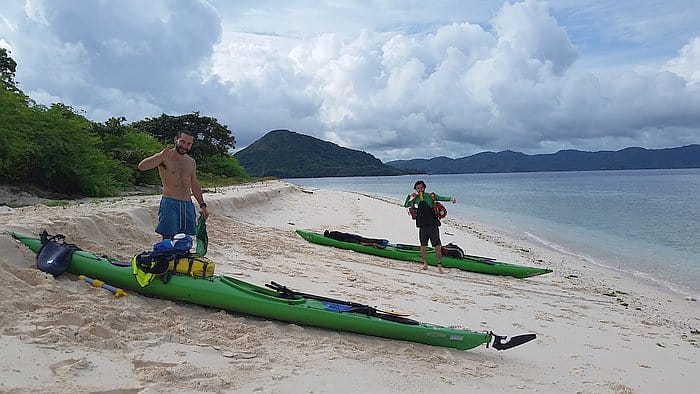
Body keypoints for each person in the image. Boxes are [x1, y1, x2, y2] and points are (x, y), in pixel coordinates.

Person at [138, 130, 209, 240]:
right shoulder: (165, 156)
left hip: (187, 204)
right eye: (182, 142)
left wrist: (202, 205)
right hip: (170, 202)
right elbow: (142, 166)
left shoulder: (191, 162)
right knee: (168, 238)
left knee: (186, 239)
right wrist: (159, 157)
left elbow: (194, 185)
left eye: (188, 144)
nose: (184, 146)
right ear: (176, 140)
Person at [404, 180, 456, 273]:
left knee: (437, 246)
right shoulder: (415, 199)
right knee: (423, 246)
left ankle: (439, 266)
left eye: (421, 188)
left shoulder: (430, 196)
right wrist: (409, 196)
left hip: (432, 225)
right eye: (418, 188)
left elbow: (442, 198)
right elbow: (406, 205)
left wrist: (451, 199)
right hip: (422, 225)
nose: (420, 190)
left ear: (424, 188)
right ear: (416, 189)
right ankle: (425, 264)